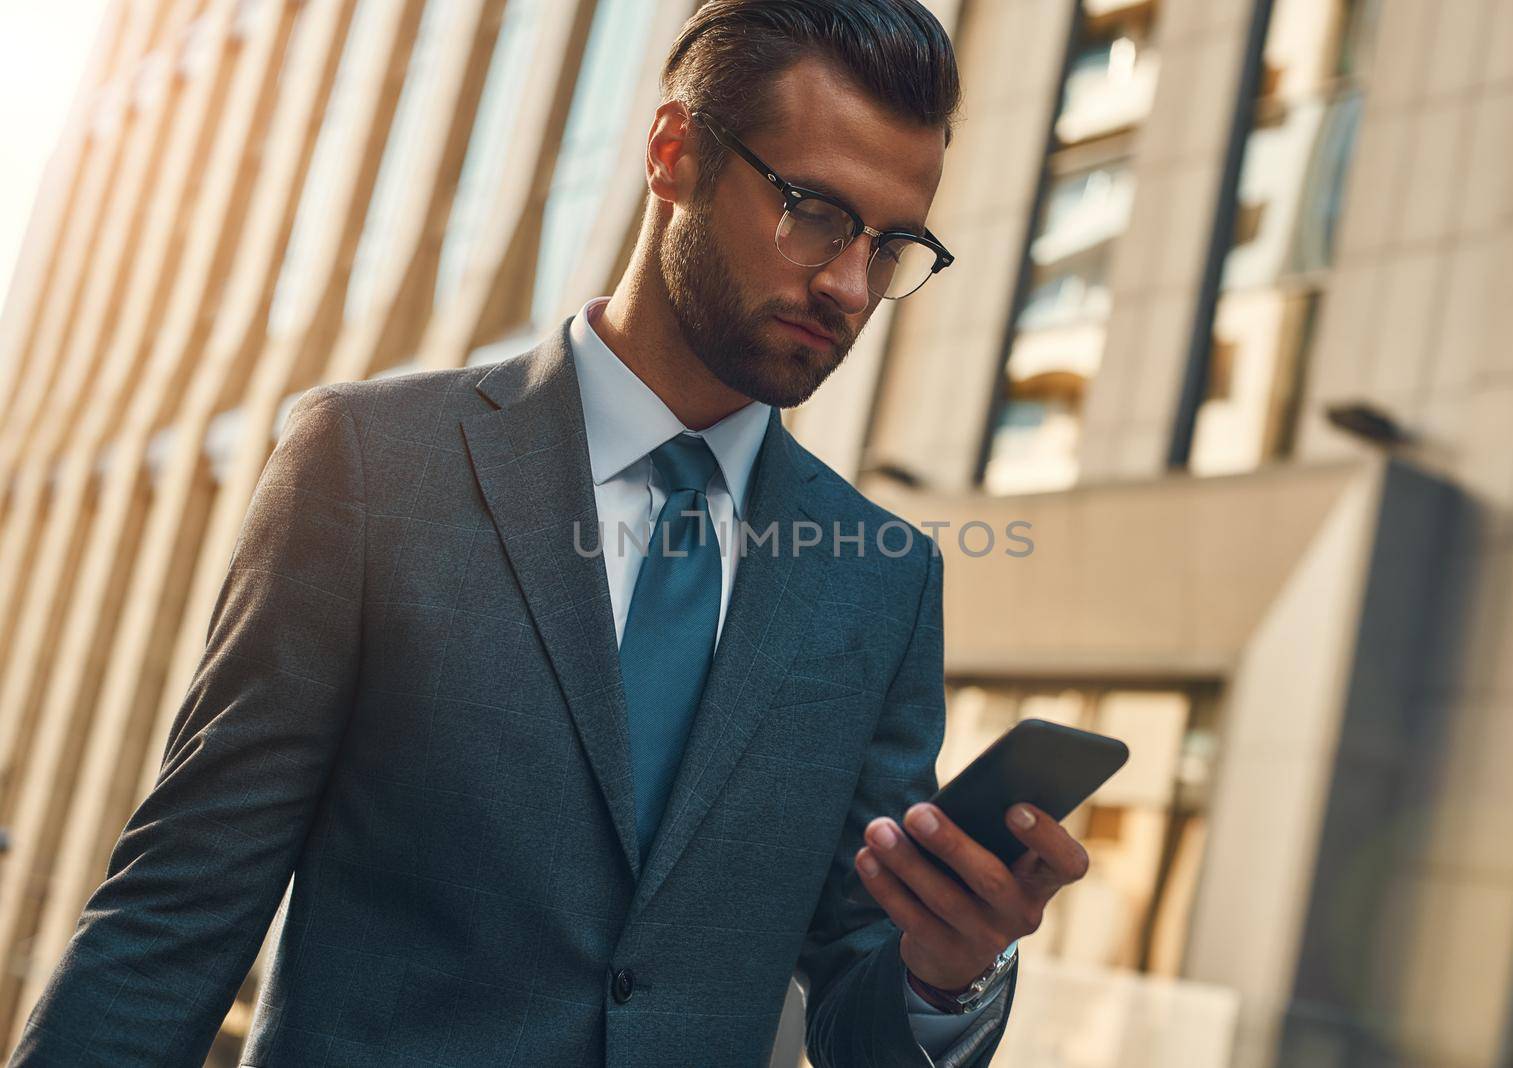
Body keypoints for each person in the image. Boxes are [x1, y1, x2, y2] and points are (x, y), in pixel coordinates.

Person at [10, 2, 1090, 1065]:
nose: (849, 284)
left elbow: (860, 1011)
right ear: (674, 156)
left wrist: (945, 972)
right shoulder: (371, 463)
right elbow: (174, 919)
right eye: (813, 210)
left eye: (892, 242)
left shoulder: (882, 582)